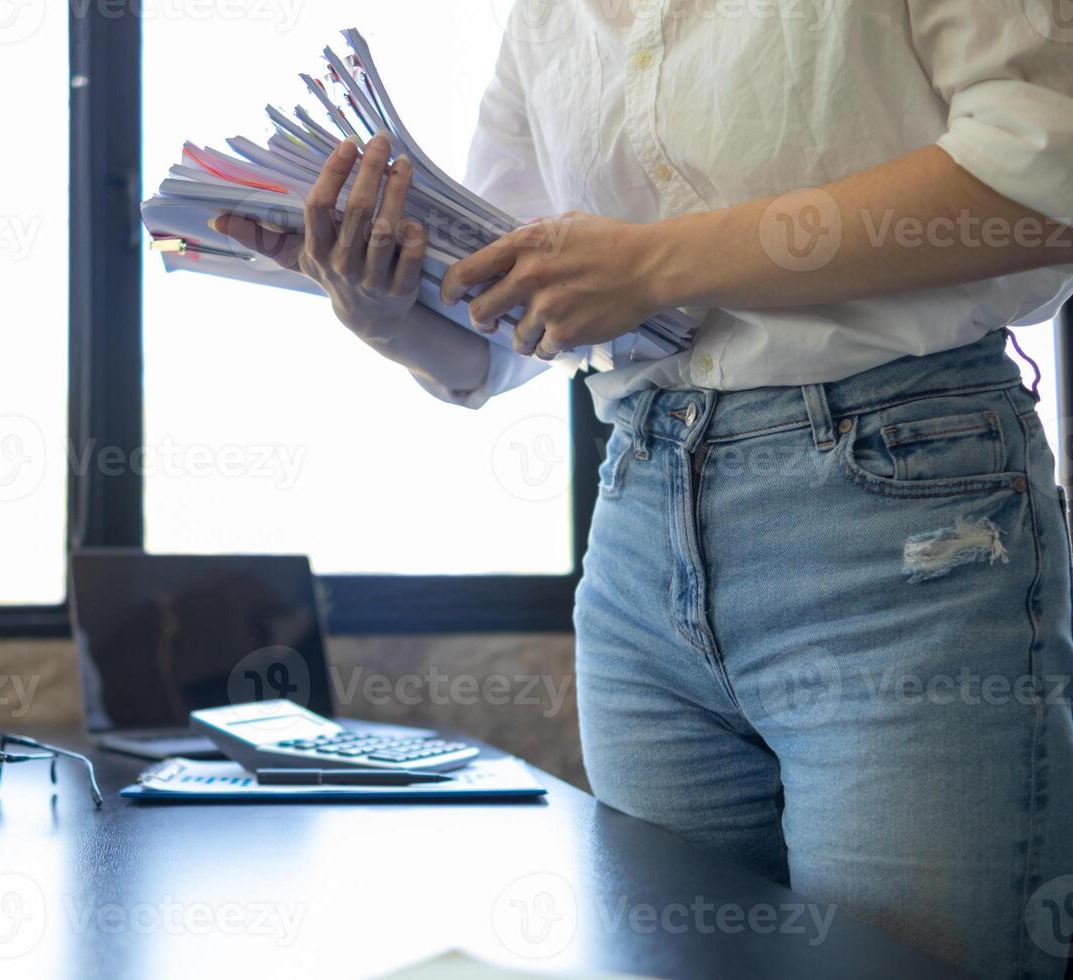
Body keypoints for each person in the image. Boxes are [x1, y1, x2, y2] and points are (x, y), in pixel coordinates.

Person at [217, 2, 1073, 976]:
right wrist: (381, 309)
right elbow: (503, 329)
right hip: (639, 527)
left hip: (904, 513)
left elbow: (1043, 178)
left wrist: (657, 263)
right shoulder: (548, 16)